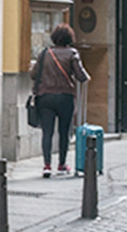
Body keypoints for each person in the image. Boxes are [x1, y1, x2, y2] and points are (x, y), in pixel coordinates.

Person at [30, 23, 89, 177]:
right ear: (69, 38)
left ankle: (47, 165)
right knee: (64, 132)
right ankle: (62, 164)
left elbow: (33, 74)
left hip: (45, 97)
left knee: (47, 132)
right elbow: (80, 75)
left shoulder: (45, 53)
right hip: (65, 97)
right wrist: (86, 77)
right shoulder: (72, 53)